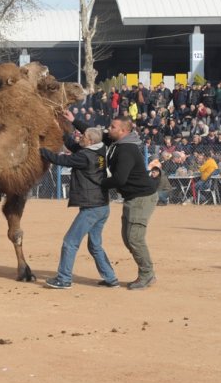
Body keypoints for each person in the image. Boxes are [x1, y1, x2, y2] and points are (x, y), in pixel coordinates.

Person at [39, 127, 119, 290]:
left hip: (91, 208)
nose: (80, 137)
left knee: (70, 241)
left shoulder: (84, 156)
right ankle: (111, 278)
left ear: (90, 141)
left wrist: (40, 150)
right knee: (95, 245)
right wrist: (59, 130)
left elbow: (61, 160)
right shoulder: (100, 149)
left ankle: (64, 278)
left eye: (83, 136)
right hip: (102, 205)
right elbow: (73, 145)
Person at [102, 116, 159, 290]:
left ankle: (147, 274)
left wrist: (98, 182)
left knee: (134, 238)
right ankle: (147, 273)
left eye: (112, 127)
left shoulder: (126, 149)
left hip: (141, 198)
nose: (108, 129)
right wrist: (74, 120)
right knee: (128, 239)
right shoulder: (118, 144)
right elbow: (92, 134)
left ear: (123, 131)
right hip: (133, 197)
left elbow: (120, 179)